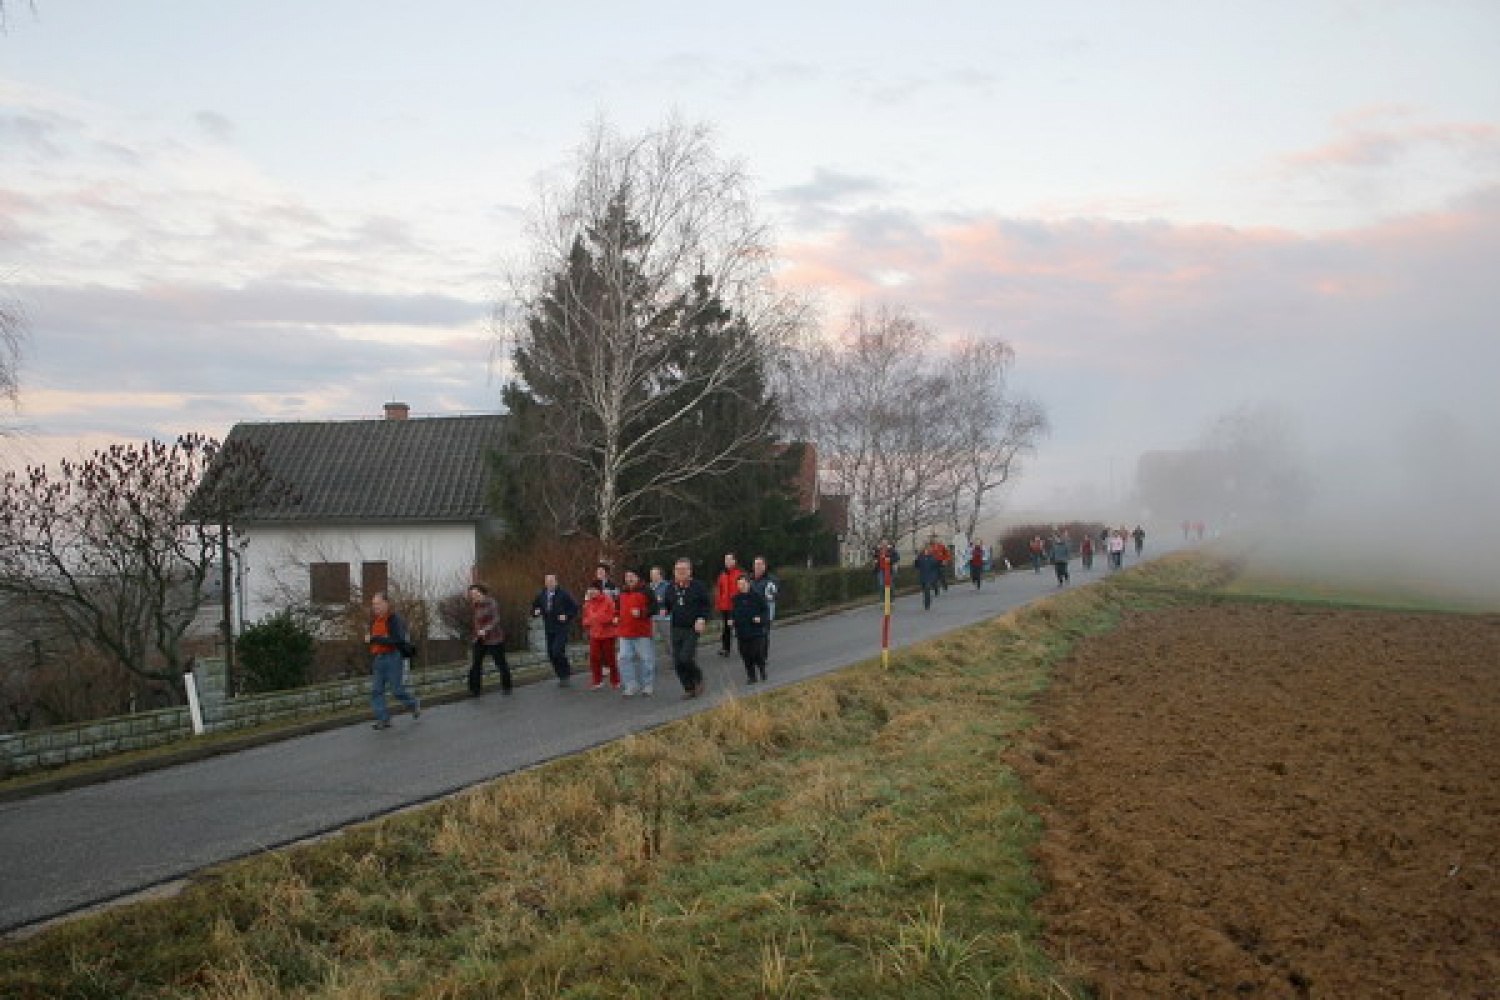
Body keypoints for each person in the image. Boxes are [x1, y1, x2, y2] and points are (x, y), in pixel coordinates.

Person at [365, 590, 419, 729]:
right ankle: (383, 719)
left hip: (393, 657)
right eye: (373, 604)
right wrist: (371, 640)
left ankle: (413, 704)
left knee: (397, 690)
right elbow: (374, 638)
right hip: (379, 658)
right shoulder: (374, 620)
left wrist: (375, 639)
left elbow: (398, 640)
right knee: (376, 690)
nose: (375, 607)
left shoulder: (394, 619)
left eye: (378, 603)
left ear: (386, 603)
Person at [664, 557, 711, 698]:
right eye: (678, 570)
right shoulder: (671, 587)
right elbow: (667, 605)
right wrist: (663, 608)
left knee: (686, 657)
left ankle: (698, 677)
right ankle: (689, 688)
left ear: (690, 571)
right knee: (677, 661)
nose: (680, 572)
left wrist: (702, 619)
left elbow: (706, 605)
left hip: (692, 627)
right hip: (676, 627)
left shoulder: (698, 586)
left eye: (684, 570)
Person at [615, 568, 658, 697]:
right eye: (627, 576)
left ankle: (648, 685)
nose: (629, 579)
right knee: (623, 658)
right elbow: (617, 607)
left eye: (632, 576)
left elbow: (654, 607)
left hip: (641, 632)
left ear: (638, 577)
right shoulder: (622, 591)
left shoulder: (646, 590)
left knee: (646, 659)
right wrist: (616, 616)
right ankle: (631, 685)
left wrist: (642, 612)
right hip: (625, 632)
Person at [530, 573, 578, 686]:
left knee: (557, 651)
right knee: (551, 654)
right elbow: (534, 608)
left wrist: (566, 616)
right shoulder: (541, 595)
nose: (549, 583)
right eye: (547, 581)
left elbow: (574, 608)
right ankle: (561, 676)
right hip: (549, 628)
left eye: (551, 581)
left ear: (556, 582)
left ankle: (565, 672)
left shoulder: (563, 594)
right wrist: (535, 612)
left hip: (561, 628)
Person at [466, 583, 511, 697]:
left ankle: (507, 687)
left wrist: (485, 629)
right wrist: (476, 634)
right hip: (480, 639)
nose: (473, 595)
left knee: (500, 663)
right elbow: (476, 622)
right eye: (472, 594)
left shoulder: (491, 602)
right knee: (475, 664)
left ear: (481, 593)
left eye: (475, 593)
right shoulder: (475, 605)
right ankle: (475, 690)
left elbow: (496, 619)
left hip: (494, 638)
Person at [731, 574, 771, 684]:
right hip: (741, 632)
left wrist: (761, 619)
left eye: (743, 584)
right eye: (739, 584)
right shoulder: (735, 599)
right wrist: (732, 620)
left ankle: (762, 669)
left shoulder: (757, 596)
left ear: (748, 584)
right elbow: (733, 613)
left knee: (756, 654)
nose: (741, 586)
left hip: (756, 632)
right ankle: (751, 676)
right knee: (745, 655)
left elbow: (765, 611)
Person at [581, 583, 620, 690]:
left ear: (599, 590)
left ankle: (615, 680)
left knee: (610, 658)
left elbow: (612, 615)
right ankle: (597, 681)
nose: (591, 592)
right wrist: (587, 622)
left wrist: (598, 618)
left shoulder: (608, 600)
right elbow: (585, 618)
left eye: (594, 589)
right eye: (590, 590)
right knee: (594, 658)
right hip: (594, 634)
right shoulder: (587, 603)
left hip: (607, 634)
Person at [749, 555, 779, 658]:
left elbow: (772, 596)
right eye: (756, 564)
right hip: (752, 612)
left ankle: (763, 656)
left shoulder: (771, 580)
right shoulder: (750, 579)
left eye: (760, 564)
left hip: (765, 611)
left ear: (764, 566)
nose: (757, 566)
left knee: (763, 634)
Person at [715, 553, 744, 658]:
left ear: (734, 561)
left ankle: (744, 647)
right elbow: (719, 591)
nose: (727, 561)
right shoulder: (722, 575)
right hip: (725, 607)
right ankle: (726, 649)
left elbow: (743, 590)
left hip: (737, 606)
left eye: (729, 559)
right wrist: (718, 604)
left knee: (740, 627)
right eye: (725, 559)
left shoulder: (739, 574)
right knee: (726, 628)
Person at [915, 543, 943, 610]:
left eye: (928, 549)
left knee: (927, 589)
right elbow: (917, 566)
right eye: (926, 549)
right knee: (925, 590)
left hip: (931, 576)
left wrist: (940, 562)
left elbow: (937, 564)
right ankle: (927, 600)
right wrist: (916, 561)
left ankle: (927, 604)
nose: (927, 550)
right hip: (923, 576)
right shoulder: (920, 557)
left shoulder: (932, 557)